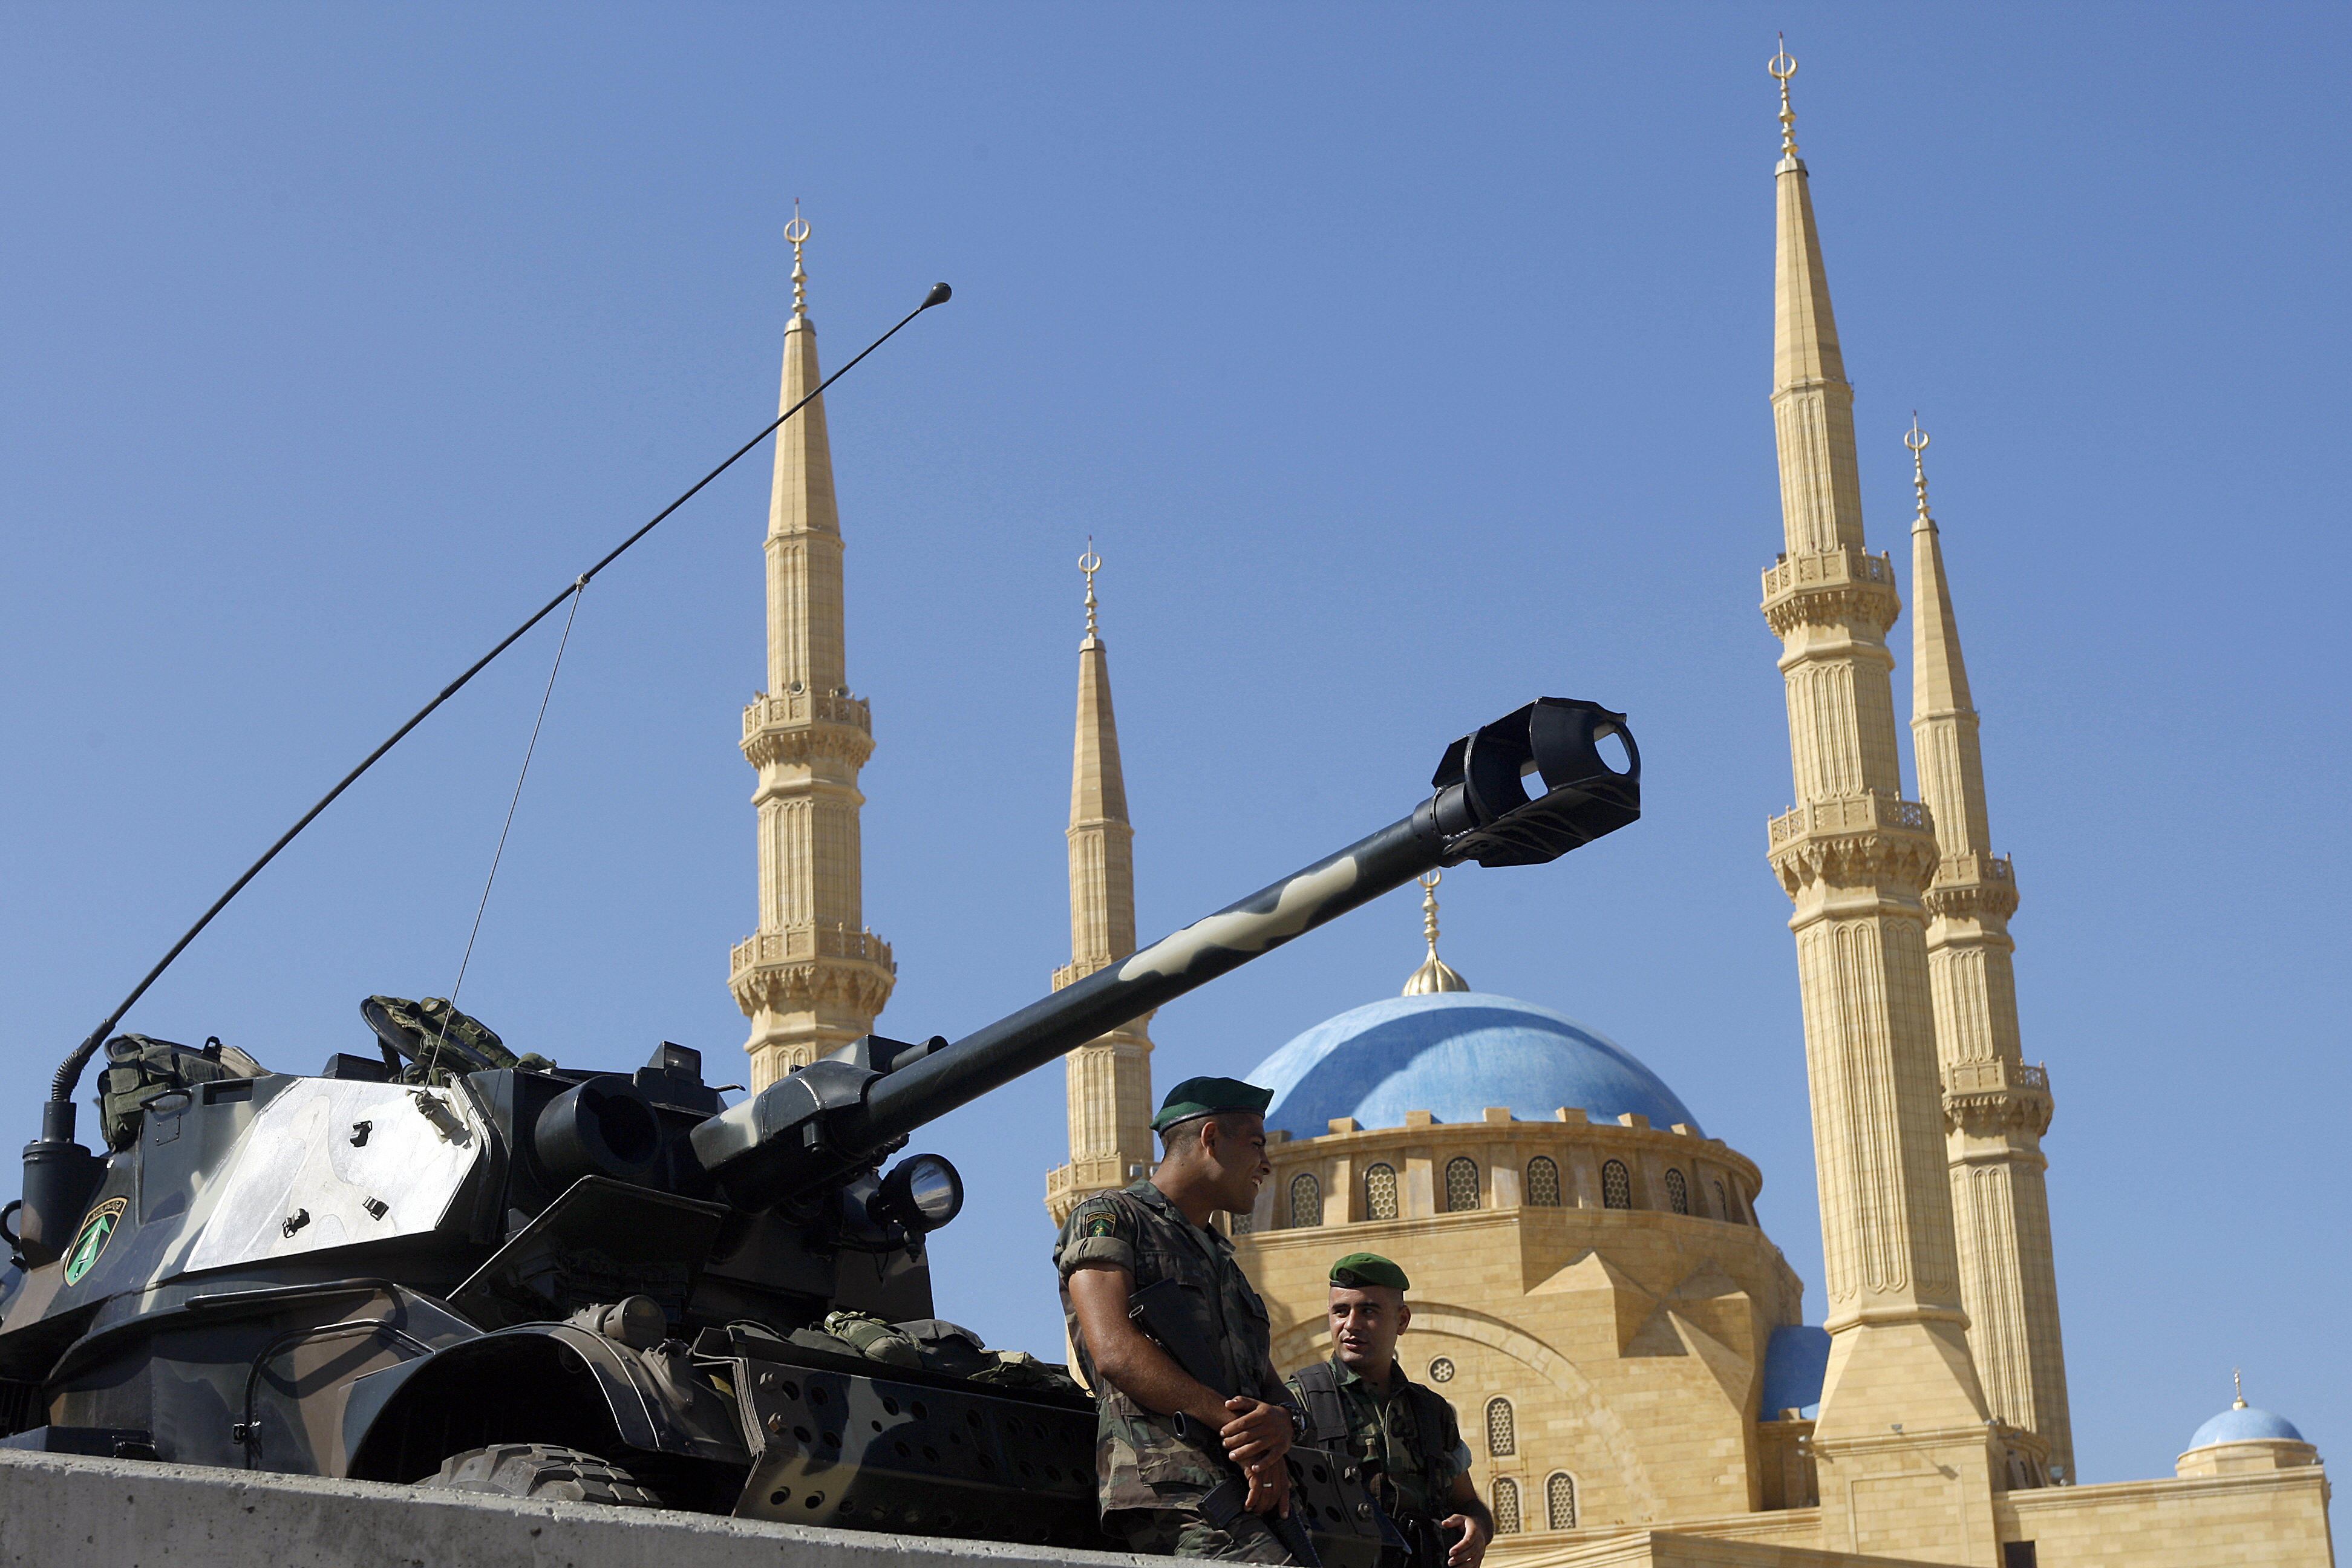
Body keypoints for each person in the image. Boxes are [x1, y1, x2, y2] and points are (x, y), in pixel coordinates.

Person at [1053, 1076, 1306, 1562]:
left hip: (1243, 1488)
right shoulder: (1109, 1218)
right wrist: (1241, 1432)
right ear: (1210, 1139)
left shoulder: (1221, 1261)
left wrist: (1281, 1426)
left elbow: (1263, 1381)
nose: (1267, 1164)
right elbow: (1114, 1351)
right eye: (1256, 1145)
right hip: (1169, 1485)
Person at [1288, 1253, 1492, 1568]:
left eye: (1368, 1311)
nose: (1350, 1325)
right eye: (1340, 1311)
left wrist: (1477, 1528)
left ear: (1402, 1320)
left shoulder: (1430, 1410)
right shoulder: (1301, 1402)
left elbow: (1466, 1502)